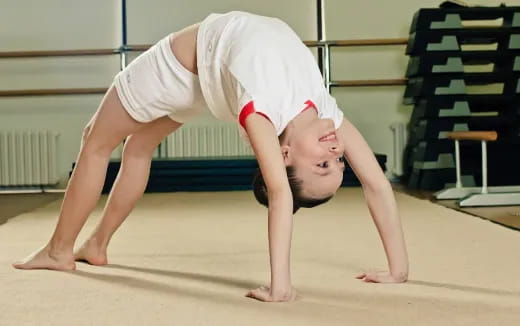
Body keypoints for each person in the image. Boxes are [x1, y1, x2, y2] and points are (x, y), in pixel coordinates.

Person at [13, 11, 408, 302]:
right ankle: (96, 245)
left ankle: (59, 251)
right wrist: (398, 268)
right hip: (207, 77)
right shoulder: (325, 109)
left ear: (283, 153)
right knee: (138, 146)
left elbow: (280, 194)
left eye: (323, 164)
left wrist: (280, 285)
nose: (337, 151)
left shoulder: (262, 112)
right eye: (337, 163)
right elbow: (375, 182)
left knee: (95, 142)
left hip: (180, 68)